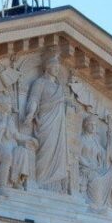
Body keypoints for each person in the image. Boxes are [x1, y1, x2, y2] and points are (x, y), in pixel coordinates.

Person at [21, 56, 70, 192]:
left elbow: (64, 104)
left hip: (59, 126)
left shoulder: (59, 88)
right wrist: (31, 113)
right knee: (45, 150)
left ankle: (53, 185)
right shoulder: (40, 83)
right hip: (45, 122)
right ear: (47, 67)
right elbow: (34, 99)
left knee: (57, 153)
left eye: (58, 67)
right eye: (55, 67)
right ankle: (40, 181)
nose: (57, 69)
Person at [0, 96, 37, 193]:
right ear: (2, 106)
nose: (10, 106)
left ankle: (17, 181)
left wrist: (30, 138)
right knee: (7, 155)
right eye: (9, 103)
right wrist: (0, 127)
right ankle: (2, 185)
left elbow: (17, 135)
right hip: (0, 148)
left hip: (11, 146)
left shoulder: (9, 119)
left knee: (22, 152)